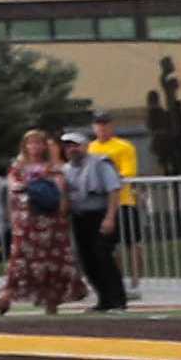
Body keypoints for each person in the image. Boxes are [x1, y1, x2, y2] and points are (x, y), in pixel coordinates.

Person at [0, 133, 86, 314]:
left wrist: (61, 208)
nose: (34, 147)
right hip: (26, 220)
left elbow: (61, 191)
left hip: (50, 220)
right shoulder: (18, 166)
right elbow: (14, 189)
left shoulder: (54, 167)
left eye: (38, 143)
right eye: (30, 143)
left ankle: (53, 301)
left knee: (51, 261)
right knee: (20, 259)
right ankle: (6, 297)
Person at [62, 124, 134, 312]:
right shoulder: (66, 169)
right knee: (88, 260)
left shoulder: (100, 163)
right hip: (80, 218)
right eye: (68, 146)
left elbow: (113, 190)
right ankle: (104, 299)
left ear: (85, 146)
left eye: (75, 145)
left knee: (103, 256)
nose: (71, 149)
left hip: (100, 214)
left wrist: (110, 217)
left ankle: (118, 300)